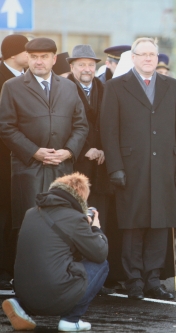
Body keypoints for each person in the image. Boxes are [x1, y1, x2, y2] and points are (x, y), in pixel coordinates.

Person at [100, 37, 176, 300]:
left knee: (160, 225)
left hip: (164, 166)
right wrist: (115, 166)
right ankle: (134, 280)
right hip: (131, 168)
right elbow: (109, 130)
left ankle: (153, 280)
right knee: (133, 226)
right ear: (134, 57)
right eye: (143, 54)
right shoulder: (116, 86)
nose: (149, 58)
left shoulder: (172, 86)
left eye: (153, 54)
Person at [0, 37, 88, 235]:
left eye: (44, 57)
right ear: (28, 58)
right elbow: (5, 126)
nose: (38, 61)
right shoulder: (12, 87)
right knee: (30, 228)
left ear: (54, 59)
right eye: (33, 57)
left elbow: (81, 125)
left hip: (63, 171)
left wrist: (68, 151)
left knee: (63, 227)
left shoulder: (69, 87)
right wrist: (34, 151)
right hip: (29, 171)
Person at [2, 173, 108, 332]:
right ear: (80, 197)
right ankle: (71, 320)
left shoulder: (30, 213)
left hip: (24, 290)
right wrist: (95, 228)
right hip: (53, 293)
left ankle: (20, 305)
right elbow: (100, 253)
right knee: (101, 265)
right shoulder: (74, 218)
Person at [66, 45, 112, 233]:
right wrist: (84, 149)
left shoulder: (106, 89)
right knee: (76, 215)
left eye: (91, 64)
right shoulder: (63, 89)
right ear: (72, 67)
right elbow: (61, 127)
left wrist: (103, 149)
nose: (87, 69)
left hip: (102, 166)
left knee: (101, 218)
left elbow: (112, 124)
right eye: (81, 64)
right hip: (75, 164)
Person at [0, 34, 29, 291]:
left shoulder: (28, 78)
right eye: (27, 49)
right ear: (12, 54)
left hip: (24, 161)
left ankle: (12, 268)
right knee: (3, 216)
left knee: (17, 215)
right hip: (3, 161)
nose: (32, 55)